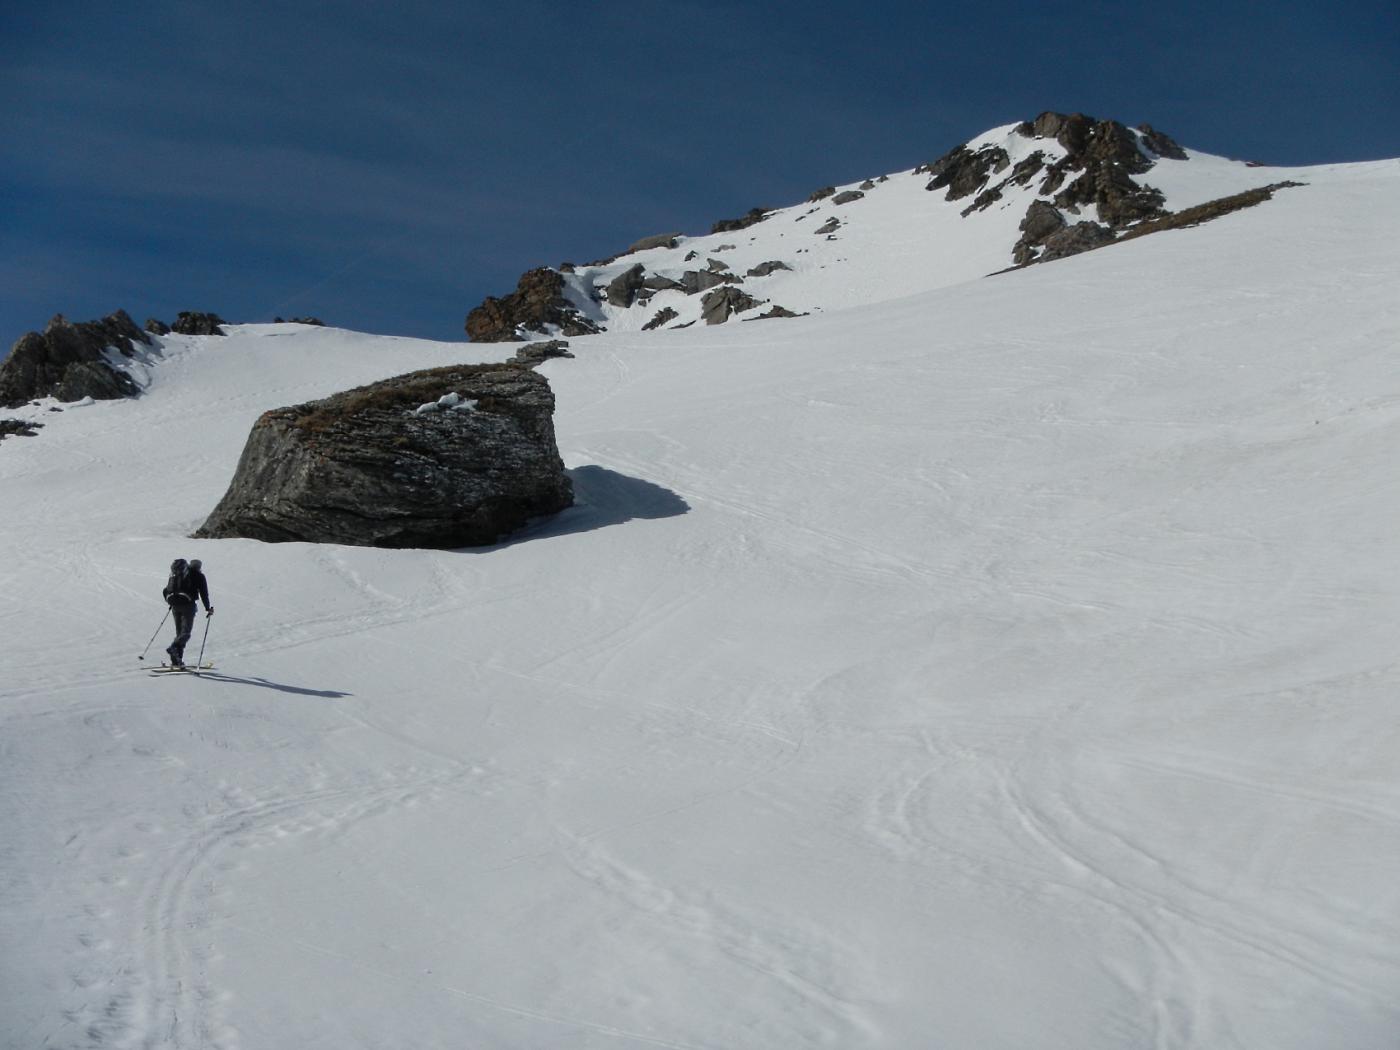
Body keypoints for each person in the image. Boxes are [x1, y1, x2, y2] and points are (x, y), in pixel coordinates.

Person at [163, 557, 213, 667]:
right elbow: (204, 594)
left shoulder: (177, 575)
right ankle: (173, 648)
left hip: (175, 605)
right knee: (185, 633)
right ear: (199, 567)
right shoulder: (199, 576)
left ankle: (176, 661)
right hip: (188, 606)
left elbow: (166, 590)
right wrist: (208, 607)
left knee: (179, 633)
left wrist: (171, 601)